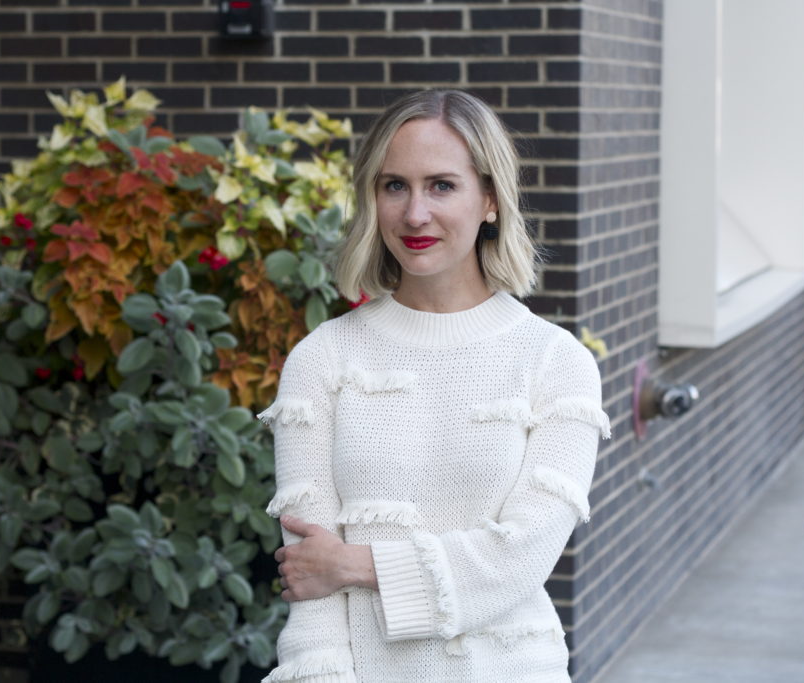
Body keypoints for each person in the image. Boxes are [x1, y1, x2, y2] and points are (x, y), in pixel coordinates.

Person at [257, 89, 610, 682]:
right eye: (394, 185)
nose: (414, 214)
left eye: (442, 186)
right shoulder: (323, 359)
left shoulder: (556, 364)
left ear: (491, 200)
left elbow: (519, 559)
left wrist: (355, 565)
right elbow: (313, 595)